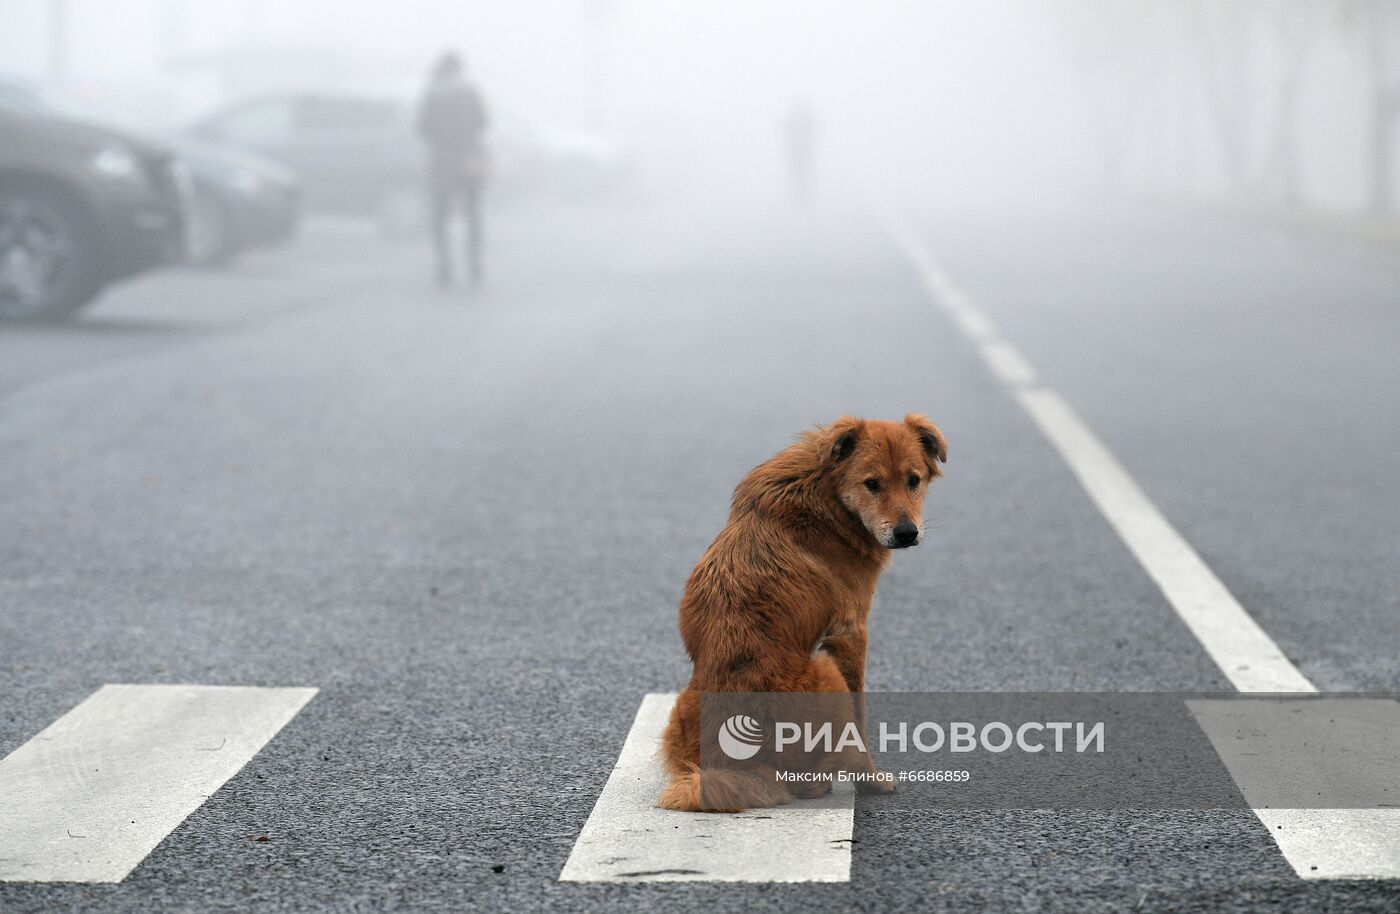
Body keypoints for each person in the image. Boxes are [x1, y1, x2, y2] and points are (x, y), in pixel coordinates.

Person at [416, 51, 489, 288]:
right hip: (469, 159)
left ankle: (444, 266)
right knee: (473, 216)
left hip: (441, 162)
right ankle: (474, 264)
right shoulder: (470, 93)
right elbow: (484, 122)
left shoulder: (432, 95)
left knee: (440, 217)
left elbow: (422, 128)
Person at [781, 98, 816, 205]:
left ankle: (802, 196)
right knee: (798, 173)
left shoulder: (801, 122)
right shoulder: (796, 122)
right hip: (798, 152)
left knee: (802, 173)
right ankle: (799, 197)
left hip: (802, 151)